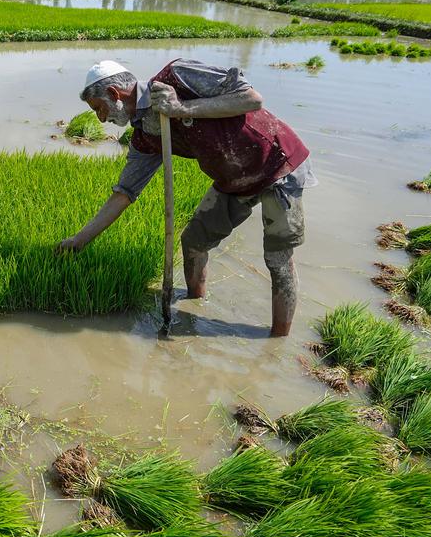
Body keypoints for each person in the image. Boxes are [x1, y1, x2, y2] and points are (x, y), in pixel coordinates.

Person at [57, 60, 316, 336]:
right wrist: (78, 241)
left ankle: (277, 341)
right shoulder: (145, 137)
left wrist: (182, 108)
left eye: (99, 108)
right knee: (193, 241)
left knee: (277, 258)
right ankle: (195, 308)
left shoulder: (176, 76)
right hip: (233, 179)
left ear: (114, 93)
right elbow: (123, 194)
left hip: (277, 164)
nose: (100, 119)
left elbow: (251, 98)